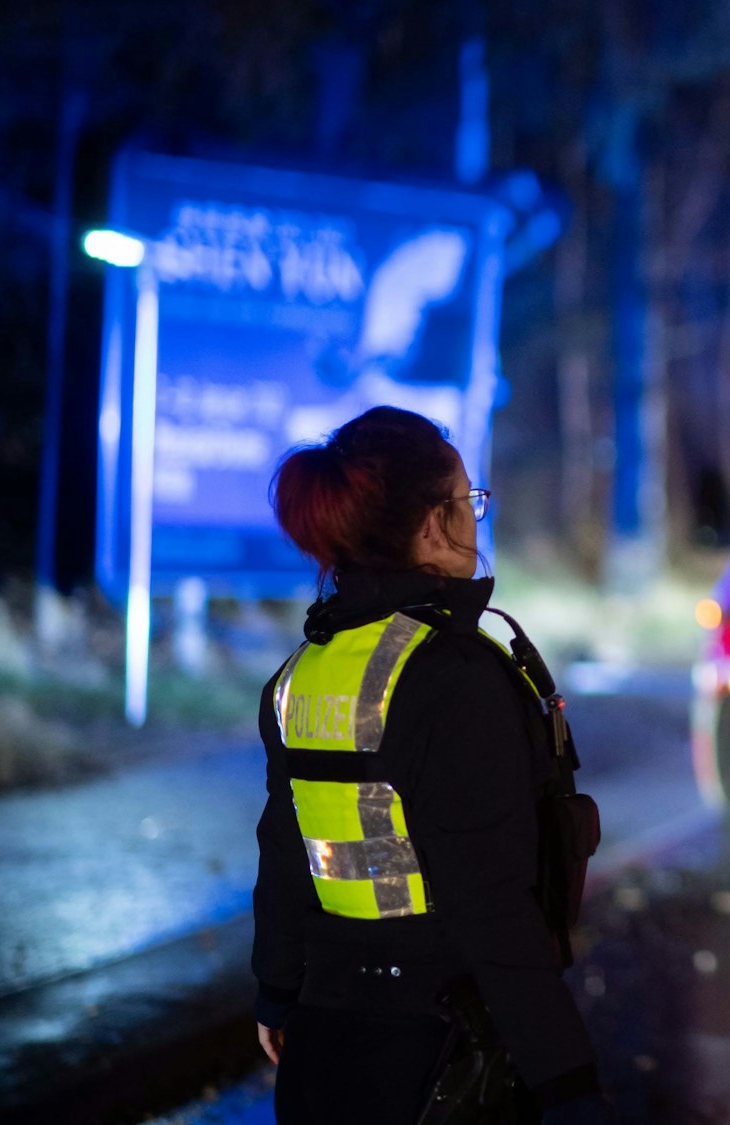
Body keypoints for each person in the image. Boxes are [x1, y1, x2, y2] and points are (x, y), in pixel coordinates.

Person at [252, 406, 607, 1123]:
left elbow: (286, 853)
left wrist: (276, 992)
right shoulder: (454, 677)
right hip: (441, 1058)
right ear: (432, 524)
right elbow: (492, 906)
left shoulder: (302, 673)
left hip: (324, 1048)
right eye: (468, 500)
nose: (478, 519)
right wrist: (566, 1078)